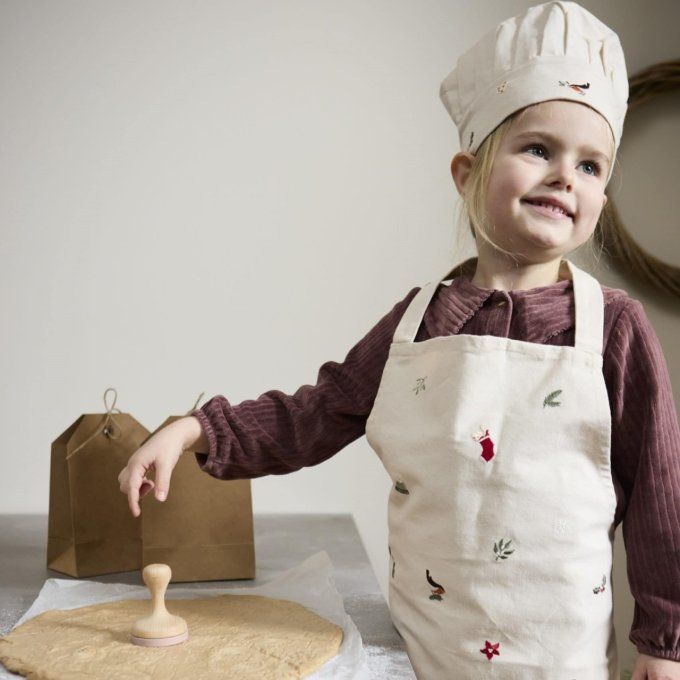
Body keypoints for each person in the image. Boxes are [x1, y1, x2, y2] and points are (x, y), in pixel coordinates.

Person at [118, 2, 680, 677]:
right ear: (468, 174)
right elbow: (318, 412)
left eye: (592, 166)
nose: (566, 175)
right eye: (538, 149)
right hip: (417, 652)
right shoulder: (418, 323)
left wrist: (663, 640)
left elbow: (659, 492)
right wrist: (196, 431)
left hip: (558, 661)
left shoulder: (613, 330)